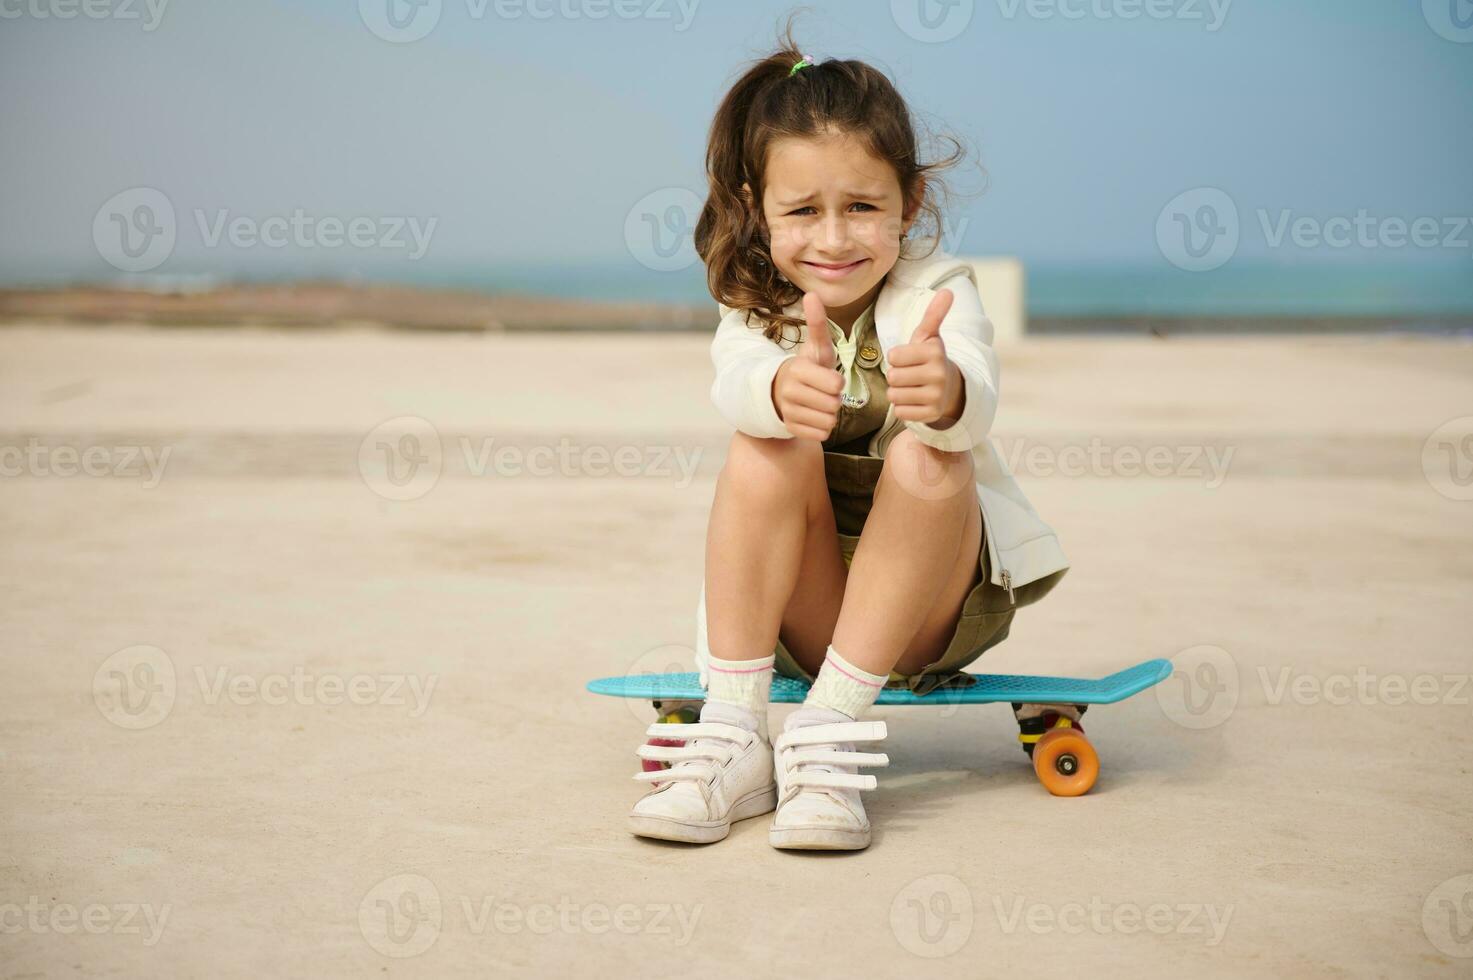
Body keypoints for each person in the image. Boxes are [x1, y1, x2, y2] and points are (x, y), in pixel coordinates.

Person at [629, 29, 1073, 852]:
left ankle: (826, 736)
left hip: (923, 613)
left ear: (908, 203)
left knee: (926, 454)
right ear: (756, 213)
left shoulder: (937, 291)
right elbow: (729, 380)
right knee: (763, 441)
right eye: (802, 211)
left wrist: (947, 392)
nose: (833, 240)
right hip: (807, 615)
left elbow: (976, 391)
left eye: (862, 207)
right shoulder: (757, 308)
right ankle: (735, 738)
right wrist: (771, 388)